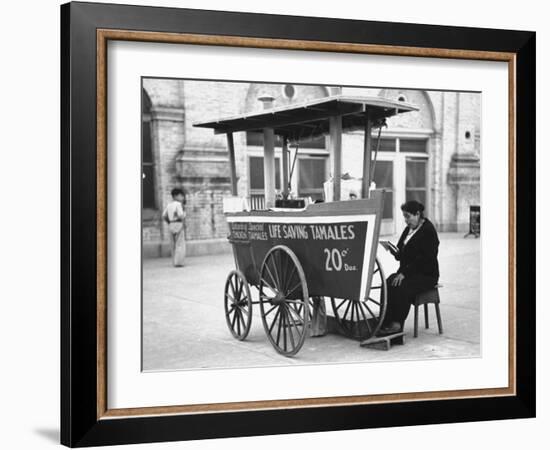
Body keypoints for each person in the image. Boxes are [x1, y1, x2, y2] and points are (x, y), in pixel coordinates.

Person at [379, 200, 440, 335]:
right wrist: (394, 251)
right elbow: (401, 254)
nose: (406, 221)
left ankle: (397, 324)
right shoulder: (409, 229)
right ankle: (385, 320)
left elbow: (425, 259)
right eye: (404, 217)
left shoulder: (428, 231)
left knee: (402, 286)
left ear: (417, 214)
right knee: (388, 282)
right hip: (409, 272)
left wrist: (405, 273)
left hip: (426, 274)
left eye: (408, 216)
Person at [162, 188, 186, 267]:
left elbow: (164, 216)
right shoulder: (178, 204)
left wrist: (169, 222)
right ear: (176, 196)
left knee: (173, 244)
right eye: (181, 196)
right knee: (180, 244)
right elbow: (180, 215)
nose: (182, 198)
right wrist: (183, 218)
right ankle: (179, 262)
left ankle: (174, 261)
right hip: (178, 223)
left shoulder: (169, 205)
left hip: (171, 224)